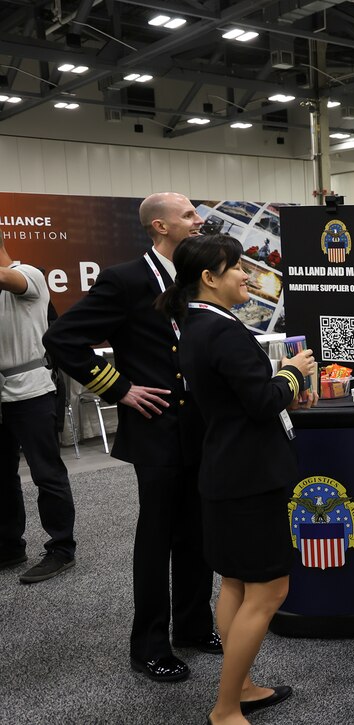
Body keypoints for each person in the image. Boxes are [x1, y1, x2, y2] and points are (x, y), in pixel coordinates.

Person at [44, 192, 217, 683]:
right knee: (157, 537)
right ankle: (149, 644)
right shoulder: (126, 279)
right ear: (160, 227)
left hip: (198, 430)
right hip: (157, 430)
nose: (199, 219)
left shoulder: (192, 277)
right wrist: (119, 388)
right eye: (188, 214)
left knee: (196, 534)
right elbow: (61, 339)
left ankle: (193, 625)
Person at [156, 233, 314, 725]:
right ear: (209, 278)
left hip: (226, 472)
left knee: (237, 586)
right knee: (268, 591)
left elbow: (237, 398)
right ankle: (225, 708)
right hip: (249, 477)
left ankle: (239, 686)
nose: (249, 275)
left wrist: (280, 389)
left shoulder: (198, 326)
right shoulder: (220, 331)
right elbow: (260, 402)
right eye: (237, 268)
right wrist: (292, 374)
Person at [0, 232, 77, 583]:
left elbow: (6, 278)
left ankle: (61, 548)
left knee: (46, 473)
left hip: (32, 392)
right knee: (2, 477)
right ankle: (9, 546)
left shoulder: (29, 274)